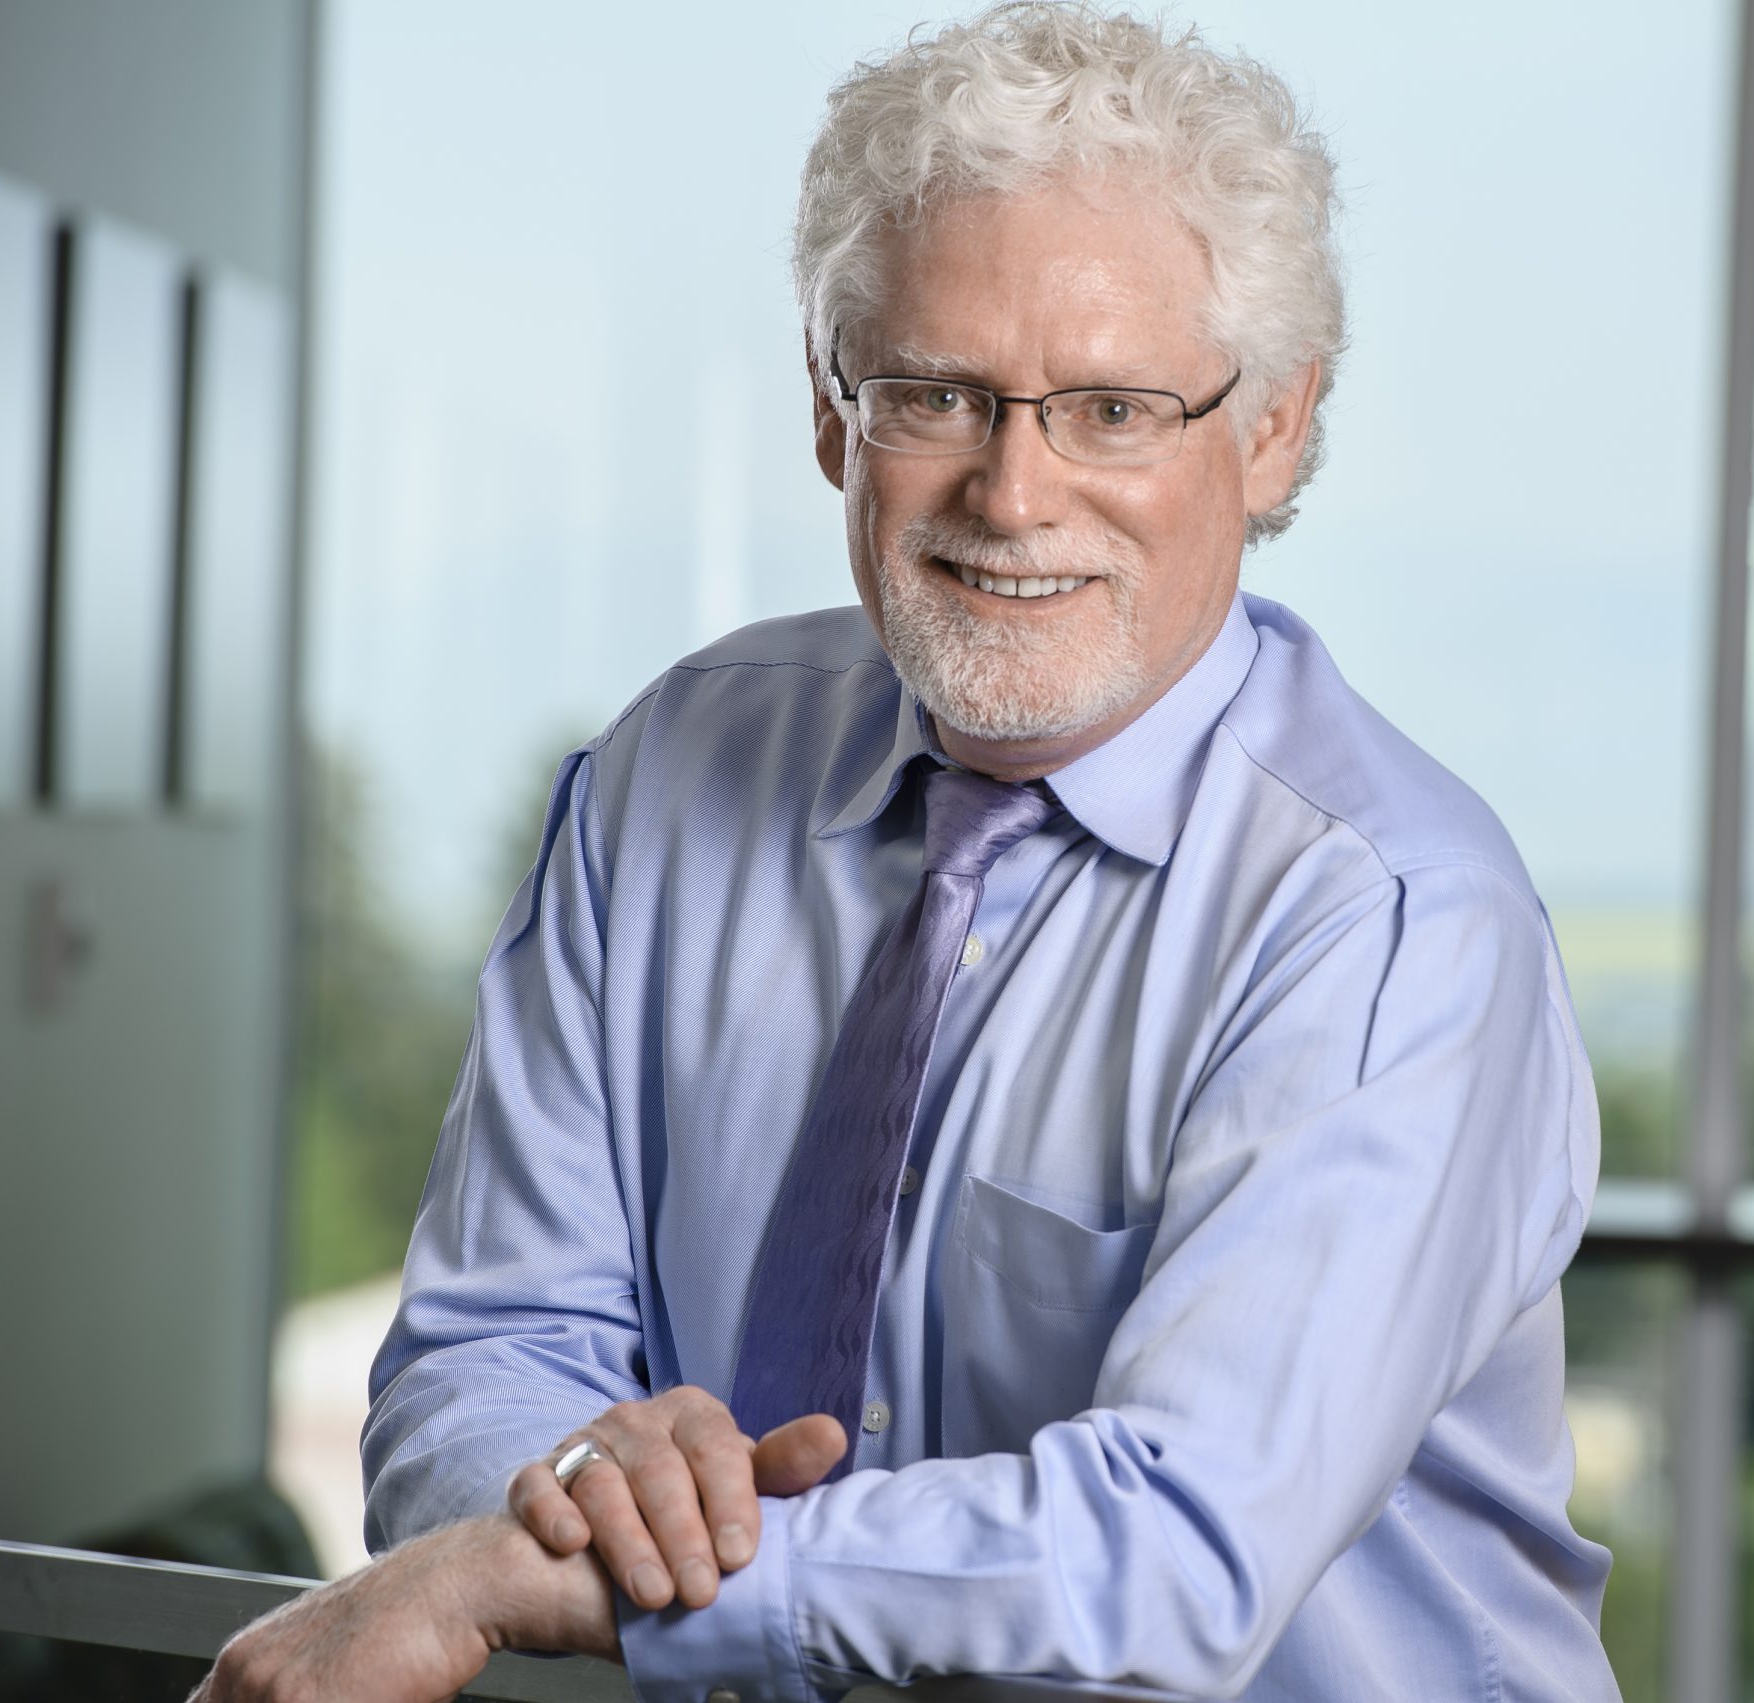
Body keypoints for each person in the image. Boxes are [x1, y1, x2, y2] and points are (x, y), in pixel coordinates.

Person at [196, 5, 1616, 1698]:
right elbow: (480, 1356)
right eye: (937, 395)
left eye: (1110, 409)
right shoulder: (667, 779)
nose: (1012, 496)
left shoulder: (1387, 922)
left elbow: (1168, 1555)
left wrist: (562, 1591)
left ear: (1275, 427)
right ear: (830, 413)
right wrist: (574, 1490)